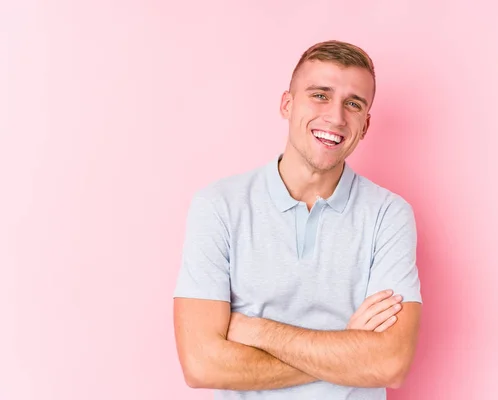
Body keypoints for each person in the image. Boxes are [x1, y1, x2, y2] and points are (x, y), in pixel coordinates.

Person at [172, 39, 422, 400]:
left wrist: (257, 332)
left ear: (365, 126)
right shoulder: (218, 206)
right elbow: (201, 365)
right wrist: (349, 347)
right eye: (320, 95)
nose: (336, 117)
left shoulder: (388, 215)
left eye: (353, 104)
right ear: (287, 105)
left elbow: (389, 364)